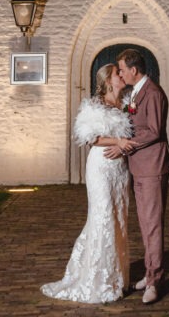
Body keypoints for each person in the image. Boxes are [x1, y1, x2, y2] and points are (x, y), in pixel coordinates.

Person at [41, 63, 134, 304]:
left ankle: (117, 278)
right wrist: (118, 141)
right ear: (108, 80)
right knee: (102, 216)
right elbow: (89, 138)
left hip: (120, 169)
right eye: (118, 73)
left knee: (119, 217)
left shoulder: (126, 103)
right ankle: (97, 280)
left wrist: (123, 146)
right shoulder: (94, 106)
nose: (122, 75)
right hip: (101, 168)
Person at [105, 48, 169, 305]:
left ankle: (155, 280)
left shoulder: (153, 93)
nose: (120, 73)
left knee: (153, 225)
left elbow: (154, 131)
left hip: (153, 167)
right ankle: (149, 272)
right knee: (145, 224)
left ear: (134, 70)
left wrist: (124, 143)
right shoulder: (135, 92)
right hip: (139, 167)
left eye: (122, 69)